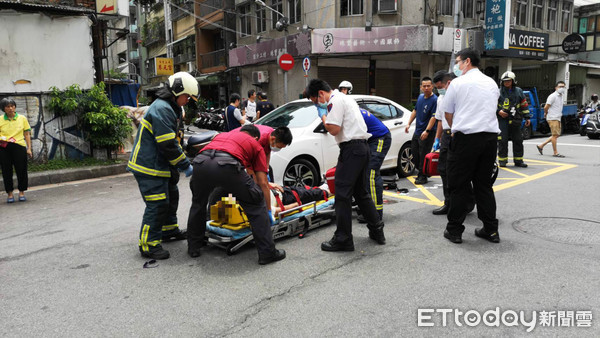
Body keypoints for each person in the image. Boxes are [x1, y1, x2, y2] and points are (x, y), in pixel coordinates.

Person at [304, 79, 385, 251]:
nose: (317, 104)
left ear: (320, 94)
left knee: (342, 194)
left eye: (315, 101)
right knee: (361, 192)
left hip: (352, 150)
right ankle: (377, 229)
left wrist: (323, 115)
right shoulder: (346, 98)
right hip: (362, 148)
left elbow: (333, 129)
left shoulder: (335, 101)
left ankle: (343, 239)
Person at [187, 124, 286, 265]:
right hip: (227, 165)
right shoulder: (255, 144)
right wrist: (268, 209)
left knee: (198, 204)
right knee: (256, 202)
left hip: (200, 163)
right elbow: (263, 182)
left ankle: (194, 247)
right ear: (255, 137)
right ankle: (267, 253)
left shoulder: (224, 135)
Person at [127, 72, 196, 260]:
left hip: (161, 165)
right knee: (157, 204)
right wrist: (184, 165)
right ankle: (148, 244)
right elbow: (167, 144)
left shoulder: (170, 108)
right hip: (148, 166)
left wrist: (178, 165)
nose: (188, 100)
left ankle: (168, 230)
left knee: (172, 196)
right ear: (177, 92)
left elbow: (175, 140)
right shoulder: (163, 108)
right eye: (187, 96)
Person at [440, 48, 501, 244]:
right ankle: (491, 230)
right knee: (484, 185)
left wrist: (458, 122)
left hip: (466, 139)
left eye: (458, 62)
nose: (457, 66)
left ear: (467, 61)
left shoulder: (458, 83)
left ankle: (455, 230)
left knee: (458, 185)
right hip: (490, 139)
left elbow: (448, 113)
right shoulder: (491, 83)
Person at [356, 108, 391, 221]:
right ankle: (367, 208)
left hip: (379, 138)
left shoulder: (353, 114)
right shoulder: (350, 110)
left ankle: (376, 213)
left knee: (371, 174)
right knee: (363, 173)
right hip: (370, 140)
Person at [405, 77, 438, 185]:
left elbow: (434, 117)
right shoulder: (420, 97)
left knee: (424, 154)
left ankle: (422, 176)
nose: (426, 88)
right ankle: (424, 172)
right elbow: (415, 110)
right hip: (417, 131)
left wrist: (427, 131)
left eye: (429, 86)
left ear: (432, 86)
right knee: (415, 154)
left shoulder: (435, 100)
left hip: (428, 132)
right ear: (421, 87)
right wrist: (408, 123)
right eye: (424, 86)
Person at [0, 98, 32, 203]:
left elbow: (27, 133)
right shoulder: (0, 119)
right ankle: (9, 193)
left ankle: (22, 192)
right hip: (4, 147)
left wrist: (29, 148)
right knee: (6, 171)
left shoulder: (22, 118)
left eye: (12, 106)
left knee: (21, 170)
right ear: (3, 109)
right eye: (8, 106)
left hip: (19, 146)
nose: (10, 108)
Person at [496, 71, 530, 168]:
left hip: (516, 118)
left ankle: (519, 160)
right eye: (504, 81)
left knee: (518, 140)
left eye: (508, 81)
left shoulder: (519, 91)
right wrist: (499, 111)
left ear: (513, 81)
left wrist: (527, 117)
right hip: (503, 120)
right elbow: (491, 105)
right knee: (502, 140)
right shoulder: (498, 92)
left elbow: (524, 104)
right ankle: (502, 160)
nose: (506, 83)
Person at [536, 81, 566, 158]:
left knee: (556, 135)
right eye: (560, 87)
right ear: (556, 88)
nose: (562, 88)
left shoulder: (561, 96)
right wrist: (546, 113)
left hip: (558, 117)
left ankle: (541, 146)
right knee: (555, 135)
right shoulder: (553, 96)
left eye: (563, 87)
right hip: (553, 117)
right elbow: (546, 107)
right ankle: (555, 152)